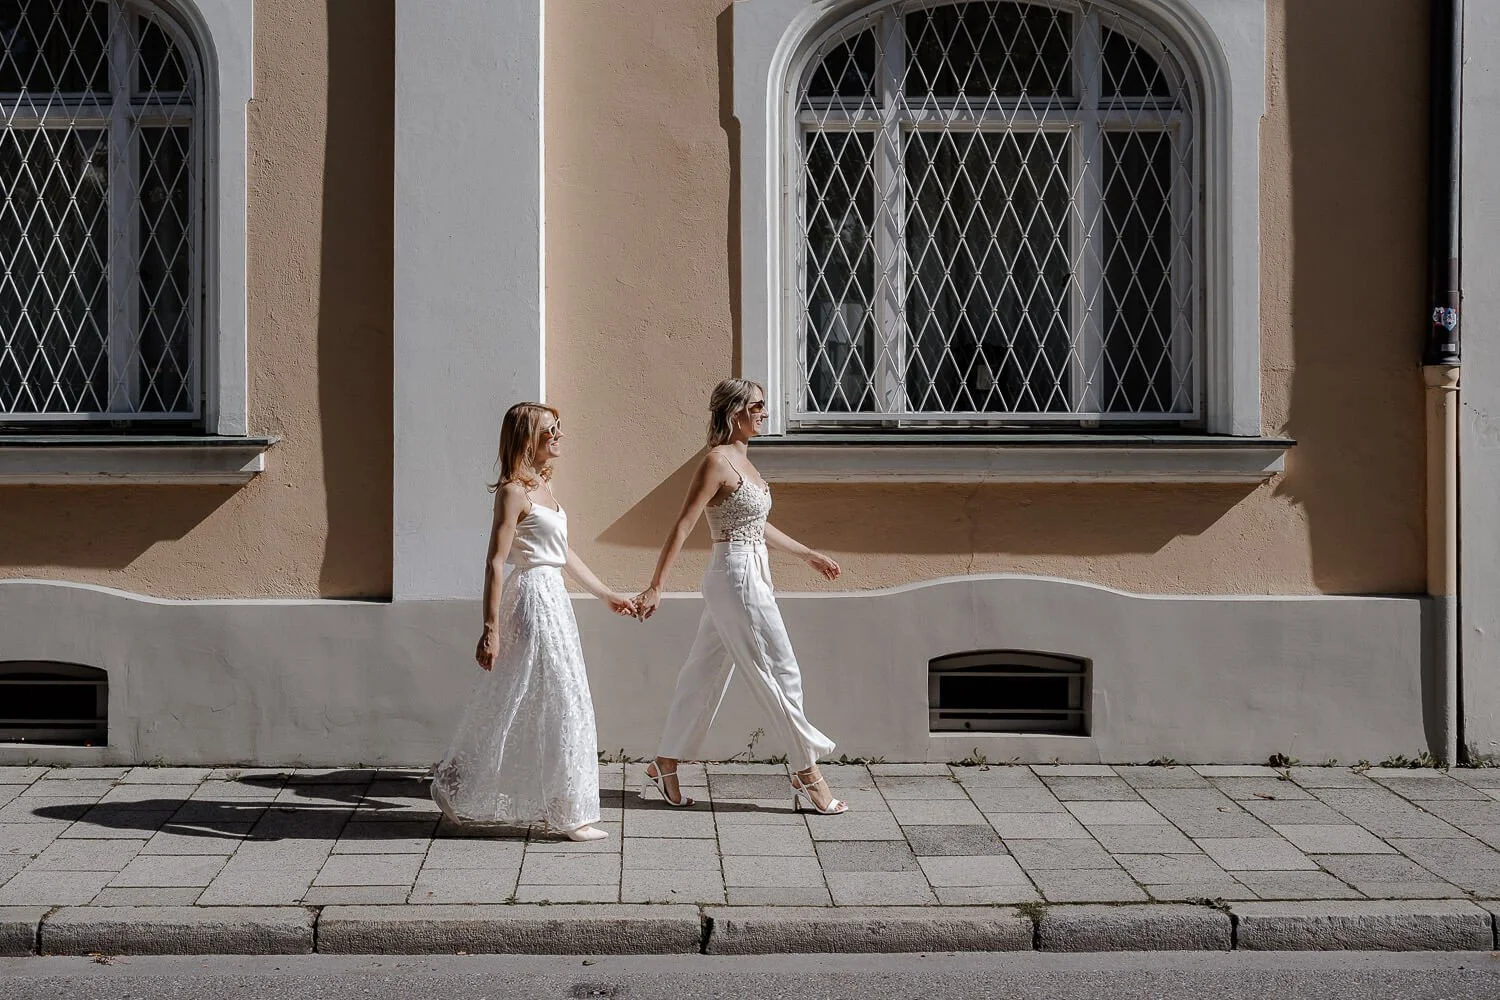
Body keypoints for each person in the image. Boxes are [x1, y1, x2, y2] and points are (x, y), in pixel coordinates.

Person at [633, 378, 847, 815]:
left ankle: (665, 763)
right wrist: (657, 585)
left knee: (704, 673)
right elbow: (684, 524)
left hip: (750, 570)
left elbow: (756, 524)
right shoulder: (716, 462)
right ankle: (807, 772)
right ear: (734, 412)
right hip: (735, 574)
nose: (764, 412)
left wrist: (806, 554)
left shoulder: (744, 461)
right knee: (780, 668)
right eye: (757, 406)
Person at [431, 402, 636, 841]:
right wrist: (491, 628)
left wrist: (606, 594)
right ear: (527, 438)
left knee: (549, 697)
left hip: (555, 600)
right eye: (550, 431)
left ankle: (475, 788)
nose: (559, 436)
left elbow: (563, 555)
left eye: (559, 428)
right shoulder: (513, 491)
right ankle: (565, 812)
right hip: (532, 602)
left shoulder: (543, 486)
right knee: (553, 698)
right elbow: (495, 562)